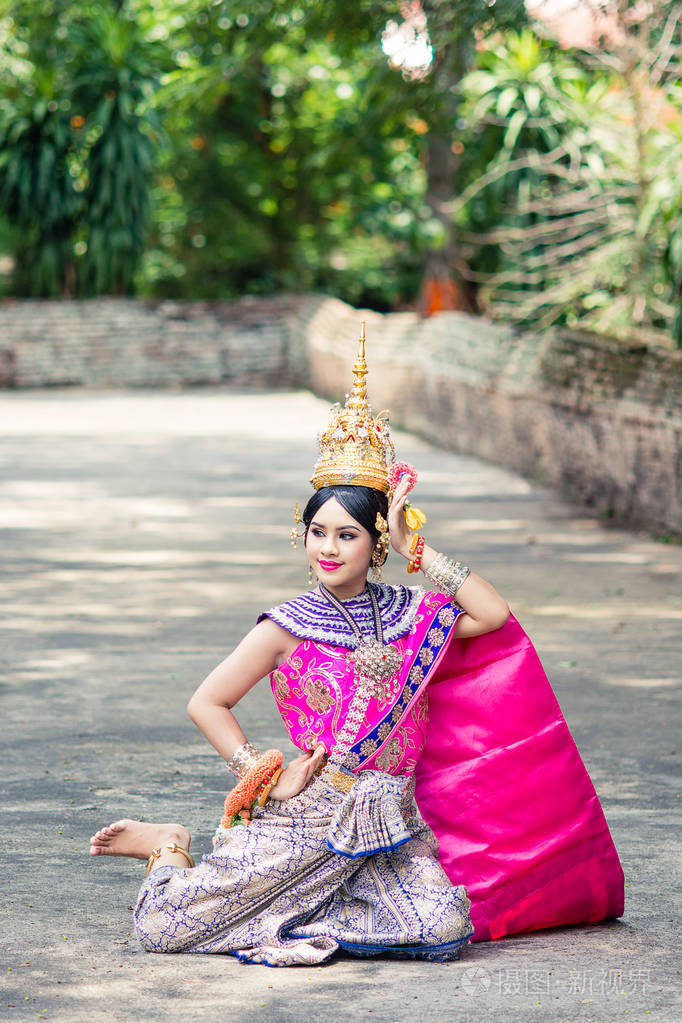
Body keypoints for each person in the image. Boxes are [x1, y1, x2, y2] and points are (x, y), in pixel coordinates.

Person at [90, 328, 624, 966]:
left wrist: (416, 549)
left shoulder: (410, 615)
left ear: (375, 544)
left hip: (392, 824)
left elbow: (494, 613)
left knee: (443, 926)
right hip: (310, 815)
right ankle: (168, 845)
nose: (328, 549)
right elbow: (207, 702)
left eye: (347, 535)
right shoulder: (286, 626)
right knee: (165, 930)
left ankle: (313, 911)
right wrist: (266, 774)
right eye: (316, 532)